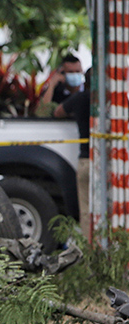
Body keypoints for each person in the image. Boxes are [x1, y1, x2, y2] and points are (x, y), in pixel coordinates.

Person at [54, 68, 92, 242]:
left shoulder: (80, 98)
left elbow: (57, 112)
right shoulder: (115, 101)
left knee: (85, 210)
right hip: (111, 164)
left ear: (85, 82)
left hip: (85, 161)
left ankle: (89, 251)